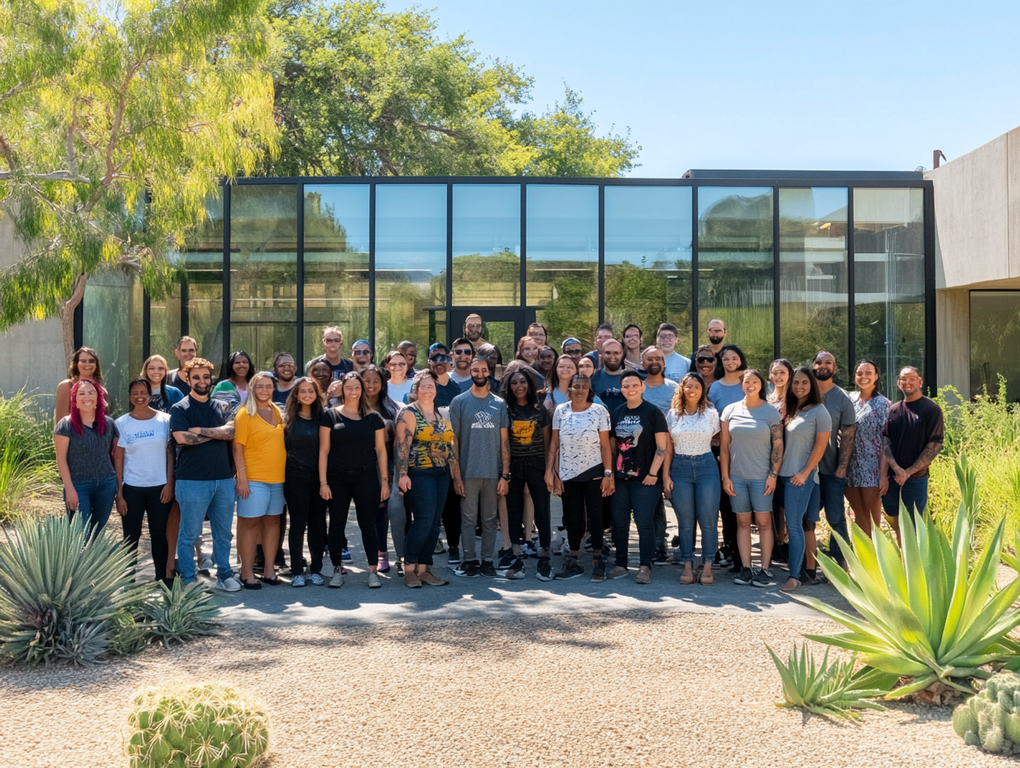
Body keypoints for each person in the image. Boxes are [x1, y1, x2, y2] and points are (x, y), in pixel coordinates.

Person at [169, 358, 240, 591]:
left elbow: (231, 432)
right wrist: (217, 433)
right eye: (196, 377)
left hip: (224, 479)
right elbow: (181, 438)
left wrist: (199, 431)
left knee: (223, 533)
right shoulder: (180, 408)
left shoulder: (222, 406)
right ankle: (189, 579)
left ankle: (225, 575)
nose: (202, 381)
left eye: (206, 377)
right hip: (191, 480)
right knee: (189, 533)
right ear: (188, 379)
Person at [319, 371, 390, 589]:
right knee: (337, 525)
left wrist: (385, 481)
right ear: (342, 389)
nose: (353, 391)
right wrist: (323, 483)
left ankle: (372, 572)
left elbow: (380, 451)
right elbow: (323, 450)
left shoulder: (374, 418)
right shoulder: (330, 416)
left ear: (361, 390)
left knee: (368, 524)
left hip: (366, 477)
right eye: (348, 387)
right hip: (337, 478)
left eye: (356, 387)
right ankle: (336, 570)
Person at [395, 371, 461, 588]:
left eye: (431, 386)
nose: (427, 390)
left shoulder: (442, 414)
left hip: (441, 473)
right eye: (422, 386)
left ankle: (424, 569)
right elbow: (401, 447)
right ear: (416, 390)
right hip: (419, 473)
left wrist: (456, 476)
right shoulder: (409, 414)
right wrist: (402, 474)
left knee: (434, 522)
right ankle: (410, 569)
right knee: (423, 519)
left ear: (436, 390)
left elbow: (450, 446)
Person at [719, 369, 783, 587]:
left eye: (755, 381)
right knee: (742, 522)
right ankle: (746, 568)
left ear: (761, 385)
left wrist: (773, 475)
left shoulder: (771, 412)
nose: (750, 385)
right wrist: (725, 476)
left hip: (762, 478)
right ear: (742, 384)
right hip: (737, 477)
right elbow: (725, 448)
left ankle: (764, 570)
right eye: (747, 381)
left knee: (764, 523)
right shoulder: (730, 411)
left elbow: (778, 446)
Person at [547, 374, 613, 581]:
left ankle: (597, 560)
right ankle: (573, 560)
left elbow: (605, 445)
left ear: (589, 389)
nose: (580, 390)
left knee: (596, 516)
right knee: (572, 517)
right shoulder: (561, 411)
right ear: (570, 388)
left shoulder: (599, 411)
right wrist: (552, 471)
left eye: (584, 387)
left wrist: (608, 474)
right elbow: (555, 445)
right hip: (568, 472)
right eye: (576, 386)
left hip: (594, 470)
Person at [450, 358, 510, 578]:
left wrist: (505, 474)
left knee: (489, 519)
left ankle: (487, 560)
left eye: (483, 370)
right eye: (475, 370)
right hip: (468, 471)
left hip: (493, 472)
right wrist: (456, 475)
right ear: (470, 372)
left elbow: (504, 441)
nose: (479, 373)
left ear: (489, 372)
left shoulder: (499, 404)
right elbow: (453, 440)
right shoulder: (460, 401)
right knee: (467, 518)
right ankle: (469, 560)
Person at [608, 371, 668, 585]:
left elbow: (662, 447)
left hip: (647, 480)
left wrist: (653, 473)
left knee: (644, 523)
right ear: (621, 389)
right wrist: (612, 472)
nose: (630, 389)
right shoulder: (617, 412)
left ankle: (645, 566)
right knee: (620, 522)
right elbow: (613, 445)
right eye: (626, 386)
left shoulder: (653, 412)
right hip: (621, 478)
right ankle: (621, 564)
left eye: (634, 385)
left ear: (642, 387)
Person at [115, 378, 174, 585]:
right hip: (132, 489)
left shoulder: (165, 420)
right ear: (130, 396)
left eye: (143, 393)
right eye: (134, 393)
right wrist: (119, 493)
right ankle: (128, 583)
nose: (139, 397)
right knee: (131, 536)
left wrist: (169, 484)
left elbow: (170, 455)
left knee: (159, 535)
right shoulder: (121, 423)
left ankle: (162, 580)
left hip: (160, 488)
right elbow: (119, 458)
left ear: (150, 395)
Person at [663, 372, 720, 586]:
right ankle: (687, 565)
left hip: (706, 466)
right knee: (685, 523)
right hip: (680, 466)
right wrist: (666, 475)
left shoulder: (712, 414)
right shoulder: (672, 415)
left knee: (708, 521)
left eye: (697, 386)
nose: (693, 389)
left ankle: (706, 566)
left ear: (702, 390)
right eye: (688, 386)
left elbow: (718, 439)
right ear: (682, 389)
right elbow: (668, 449)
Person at [777, 368, 831, 593]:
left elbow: (820, 447)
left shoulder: (820, 412)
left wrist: (805, 473)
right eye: (796, 382)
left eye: (804, 383)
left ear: (812, 386)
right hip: (783, 474)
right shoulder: (794, 410)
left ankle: (794, 576)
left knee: (795, 526)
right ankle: (802, 570)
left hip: (799, 478)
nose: (799, 386)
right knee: (795, 525)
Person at [233, 372, 286, 590]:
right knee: (250, 524)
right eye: (260, 386)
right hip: (253, 479)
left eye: (268, 386)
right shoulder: (245, 414)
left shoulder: (276, 410)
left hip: (278, 479)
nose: (264, 390)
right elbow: (237, 448)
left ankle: (269, 570)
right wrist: (242, 479)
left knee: (273, 523)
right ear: (253, 389)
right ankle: (246, 572)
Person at [498, 369, 552, 580]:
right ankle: (516, 552)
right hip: (514, 465)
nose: (518, 386)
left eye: (522, 382)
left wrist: (549, 469)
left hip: (538, 464)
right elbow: (504, 441)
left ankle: (545, 553)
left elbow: (548, 442)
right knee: (513, 510)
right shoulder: (506, 409)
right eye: (514, 383)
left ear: (529, 384)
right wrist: (505, 469)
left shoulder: (540, 410)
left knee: (542, 509)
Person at [882, 366, 944, 535]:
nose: (907, 382)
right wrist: (896, 469)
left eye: (912, 378)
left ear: (920, 381)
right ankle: (902, 560)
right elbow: (886, 440)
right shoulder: (894, 409)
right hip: (893, 477)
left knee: (914, 527)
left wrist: (908, 472)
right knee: (896, 522)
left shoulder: (931, 410)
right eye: (903, 379)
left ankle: (915, 561)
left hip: (916, 479)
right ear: (898, 383)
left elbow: (934, 447)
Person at [54, 380, 119, 538]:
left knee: (98, 532)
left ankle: (97, 562)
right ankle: (77, 563)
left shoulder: (110, 424)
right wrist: (69, 489)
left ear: (99, 398)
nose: (87, 396)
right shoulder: (65, 426)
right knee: (80, 534)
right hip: (78, 485)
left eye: (92, 393)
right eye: (81, 393)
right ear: (74, 400)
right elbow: (61, 460)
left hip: (106, 484)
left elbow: (115, 454)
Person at [811, 351, 857, 568]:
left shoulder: (842, 398)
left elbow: (848, 435)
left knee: (836, 518)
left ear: (835, 368)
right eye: (819, 362)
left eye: (828, 362)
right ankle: (808, 562)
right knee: (806, 518)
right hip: (804, 470)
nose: (823, 366)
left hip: (830, 470)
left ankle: (841, 562)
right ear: (813, 366)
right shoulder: (804, 393)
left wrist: (842, 468)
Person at [283, 377, 327, 587]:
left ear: (317, 394)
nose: (307, 395)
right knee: (298, 524)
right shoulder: (288, 420)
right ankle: (297, 571)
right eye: (303, 391)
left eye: (311, 391)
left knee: (318, 524)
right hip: (295, 477)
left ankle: (316, 568)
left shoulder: (324, 418)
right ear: (296, 395)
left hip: (319, 478)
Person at [708, 344, 748, 569]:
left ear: (741, 360)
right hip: (719, 449)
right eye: (726, 359)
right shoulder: (714, 387)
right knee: (724, 501)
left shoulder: (748, 383)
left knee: (739, 503)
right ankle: (730, 547)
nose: (731, 362)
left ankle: (744, 555)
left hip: (744, 449)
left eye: (735, 358)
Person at [845, 359, 891, 539]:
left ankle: (875, 559)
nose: (863, 377)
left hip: (873, 467)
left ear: (876, 376)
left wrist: (883, 475)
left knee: (872, 518)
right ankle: (861, 557)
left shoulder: (883, 404)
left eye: (868, 373)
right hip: (850, 466)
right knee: (858, 514)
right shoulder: (849, 400)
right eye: (860, 373)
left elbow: (887, 441)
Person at [362, 364, 400, 575]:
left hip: (385, 463)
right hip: (358, 463)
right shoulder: (351, 406)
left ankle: (382, 552)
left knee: (381, 508)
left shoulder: (392, 408)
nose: (371, 385)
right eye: (367, 380)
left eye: (376, 380)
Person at [55, 346, 104, 425]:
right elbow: (61, 422)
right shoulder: (66, 386)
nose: (87, 364)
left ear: (96, 364)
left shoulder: (101, 389)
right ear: (76, 364)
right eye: (83, 361)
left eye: (91, 361)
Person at [590, 339, 636, 414]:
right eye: (608, 353)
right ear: (601, 354)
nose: (612, 356)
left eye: (616, 353)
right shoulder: (593, 378)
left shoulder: (632, 378)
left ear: (622, 354)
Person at [212, 350, 254, 415]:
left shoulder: (255, 386)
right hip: (228, 423)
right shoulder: (223, 386)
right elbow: (215, 409)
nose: (241, 365)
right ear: (231, 366)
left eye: (245, 362)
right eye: (237, 362)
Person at [640, 346, 678, 415]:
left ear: (664, 363)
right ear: (643, 365)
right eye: (649, 359)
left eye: (658, 359)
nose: (654, 362)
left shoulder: (675, 388)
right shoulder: (638, 389)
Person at [425, 343, 463, 408]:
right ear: (429, 361)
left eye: (443, 358)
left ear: (450, 359)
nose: (439, 362)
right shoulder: (422, 386)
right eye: (434, 359)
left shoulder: (456, 388)